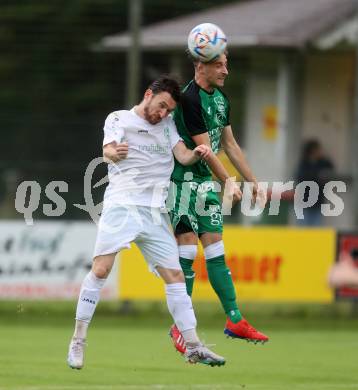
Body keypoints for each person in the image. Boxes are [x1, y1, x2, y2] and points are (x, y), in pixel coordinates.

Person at [67, 75, 226, 369]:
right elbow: (107, 150)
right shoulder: (119, 119)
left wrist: (196, 154)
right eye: (161, 106)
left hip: (154, 213)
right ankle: (78, 339)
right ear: (148, 94)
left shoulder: (167, 126)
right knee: (101, 270)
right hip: (122, 206)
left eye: (168, 110)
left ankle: (193, 346)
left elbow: (182, 155)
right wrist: (114, 153)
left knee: (176, 277)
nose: (163, 114)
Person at [167, 51, 269, 355]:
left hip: (206, 184)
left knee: (216, 250)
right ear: (201, 66)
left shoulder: (222, 99)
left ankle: (235, 319)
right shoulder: (189, 99)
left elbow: (229, 144)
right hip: (182, 181)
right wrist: (229, 181)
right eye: (219, 65)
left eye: (226, 64)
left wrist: (254, 182)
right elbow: (203, 150)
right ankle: (180, 327)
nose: (226, 70)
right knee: (186, 251)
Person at [296, 139, 334, 226]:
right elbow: (301, 178)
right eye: (318, 149)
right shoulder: (304, 164)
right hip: (304, 201)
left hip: (317, 202)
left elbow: (331, 168)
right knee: (302, 229)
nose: (320, 151)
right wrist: (317, 176)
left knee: (316, 229)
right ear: (312, 150)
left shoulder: (323, 163)